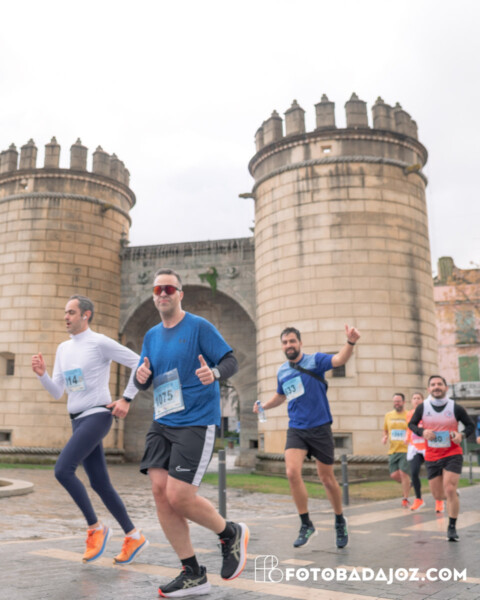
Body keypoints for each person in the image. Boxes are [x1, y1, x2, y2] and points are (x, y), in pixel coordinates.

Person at [134, 268, 248, 598]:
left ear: (180, 294)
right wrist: (141, 377)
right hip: (162, 421)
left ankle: (230, 533)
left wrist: (214, 373)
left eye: (169, 288)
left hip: (195, 421)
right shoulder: (151, 335)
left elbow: (230, 361)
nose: (162, 293)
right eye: (158, 289)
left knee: (179, 496)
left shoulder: (199, 326)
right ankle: (193, 573)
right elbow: (145, 379)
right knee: (160, 492)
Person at [31, 295, 148, 565]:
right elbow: (58, 391)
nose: (66, 317)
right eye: (65, 312)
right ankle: (134, 536)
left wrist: (126, 398)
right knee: (99, 483)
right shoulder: (63, 348)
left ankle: (95, 528)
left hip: (97, 415)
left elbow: (140, 363)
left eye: (71, 312)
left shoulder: (99, 342)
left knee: (63, 470)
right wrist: (42, 375)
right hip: (77, 419)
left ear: (86, 315)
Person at [253, 324, 360, 550]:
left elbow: (340, 359)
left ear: (300, 343)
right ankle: (306, 524)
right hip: (297, 429)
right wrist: (264, 406)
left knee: (327, 479)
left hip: (320, 427)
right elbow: (281, 396)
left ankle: (339, 520)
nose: (289, 345)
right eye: (285, 342)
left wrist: (350, 342)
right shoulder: (282, 371)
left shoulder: (315, 361)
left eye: (292, 341)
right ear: (282, 346)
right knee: (292, 472)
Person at [409, 375, 475, 541]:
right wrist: (422, 432)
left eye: (439, 384)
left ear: (446, 388)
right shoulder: (423, 407)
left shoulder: (455, 408)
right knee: (438, 495)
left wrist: (461, 435)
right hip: (432, 455)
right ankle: (452, 496)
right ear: (428, 389)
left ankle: (452, 527)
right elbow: (411, 424)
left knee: (450, 488)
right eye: (433, 384)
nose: (436, 387)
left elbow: (470, 425)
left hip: (452, 453)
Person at [382, 393, 410, 508]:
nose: (396, 403)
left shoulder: (409, 415)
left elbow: (412, 429)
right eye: (395, 401)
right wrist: (385, 437)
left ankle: (405, 498)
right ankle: (409, 484)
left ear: (403, 402)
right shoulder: (388, 415)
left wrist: (408, 437)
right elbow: (385, 430)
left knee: (403, 473)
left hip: (405, 449)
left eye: (398, 401)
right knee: (394, 475)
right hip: (393, 449)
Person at [406, 392, 428, 511]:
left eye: (418, 398)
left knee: (434, 474)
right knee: (414, 472)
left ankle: (439, 500)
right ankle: (419, 499)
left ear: (423, 400)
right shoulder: (409, 414)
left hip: (428, 447)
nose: (416, 400)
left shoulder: (428, 412)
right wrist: (407, 437)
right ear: (411, 401)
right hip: (415, 448)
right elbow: (409, 428)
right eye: (414, 398)